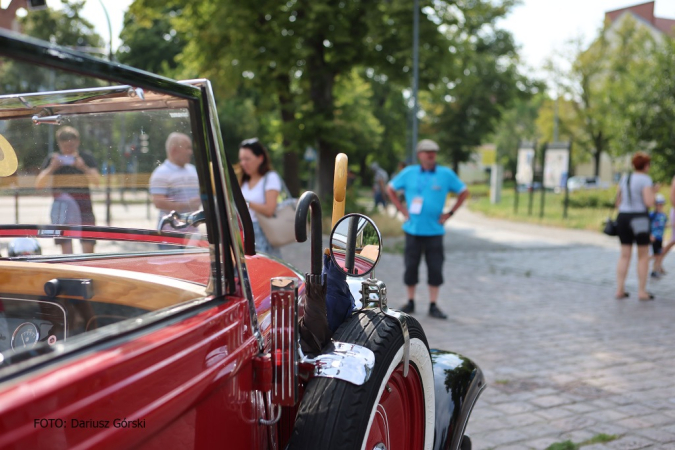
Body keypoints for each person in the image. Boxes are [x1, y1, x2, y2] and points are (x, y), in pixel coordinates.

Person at [386, 139, 469, 319]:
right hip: (413, 230)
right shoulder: (408, 173)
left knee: (435, 268)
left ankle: (433, 304)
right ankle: (410, 301)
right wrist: (401, 210)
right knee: (410, 266)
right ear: (419, 155)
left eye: (434, 151)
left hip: (435, 232)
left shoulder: (446, 174)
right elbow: (390, 188)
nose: (431, 154)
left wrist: (450, 213)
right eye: (426, 151)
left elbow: (464, 191)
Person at [35, 126, 100, 254]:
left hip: (83, 205)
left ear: (78, 143)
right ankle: (70, 272)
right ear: (59, 144)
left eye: (72, 147)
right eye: (65, 147)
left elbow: (97, 181)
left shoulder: (85, 157)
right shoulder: (53, 159)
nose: (69, 150)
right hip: (62, 206)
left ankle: (87, 272)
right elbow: (39, 185)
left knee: (88, 243)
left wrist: (83, 167)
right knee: (65, 245)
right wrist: (52, 168)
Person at [614, 151, 656, 301]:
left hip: (623, 217)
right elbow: (649, 202)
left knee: (624, 255)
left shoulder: (625, 178)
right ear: (645, 165)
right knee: (643, 256)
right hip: (639, 218)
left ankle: (619, 289)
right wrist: (654, 192)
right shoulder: (645, 180)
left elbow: (617, 203)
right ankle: (642, 291)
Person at [238, 138, 282, 258]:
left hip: (262, 232)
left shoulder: (270, 177)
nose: (243, 163)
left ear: (260, 158)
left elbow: (269, 210)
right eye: (241, 159)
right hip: (243, 231)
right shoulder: (245, 180)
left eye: (247, 159)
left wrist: (244, 202)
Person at [149, 133, 201, 234]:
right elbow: (158, 202)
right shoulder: (161, 173)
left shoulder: (193, 170)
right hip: (171, 235)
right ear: (174, 150)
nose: (190, 152)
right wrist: (186, 205)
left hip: (193, 234)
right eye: (187, 148)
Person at [649, 193, 668, 278]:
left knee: (659, 255)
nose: (660, 206)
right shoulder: (652, 214)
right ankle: (648, 263)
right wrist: (650, 235)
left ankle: (655, 270)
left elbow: (664, 225)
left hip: (660, 238)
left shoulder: (663, 215)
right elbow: (647, 225)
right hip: (654, 237)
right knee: (656, 255)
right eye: (658, 204)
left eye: (661, 204)